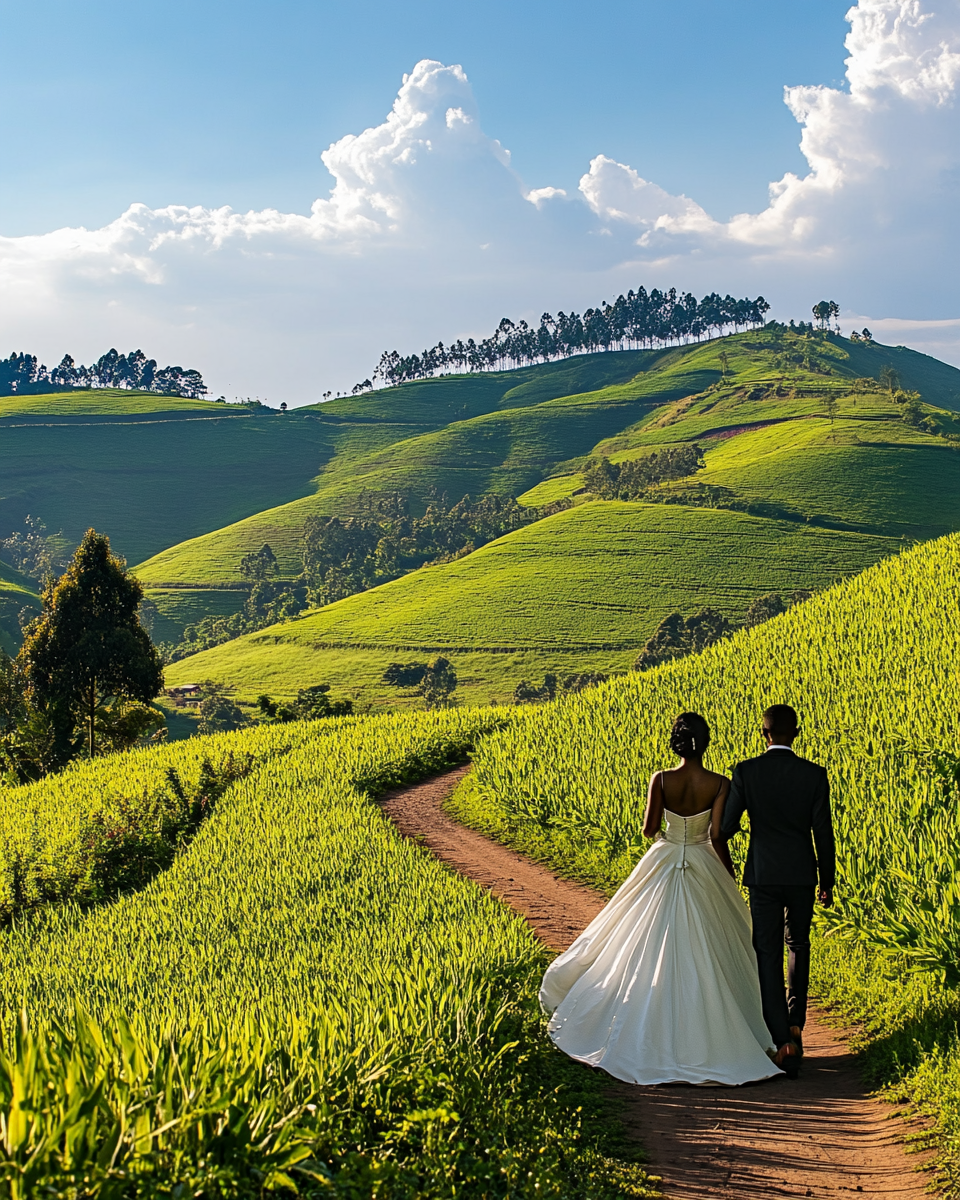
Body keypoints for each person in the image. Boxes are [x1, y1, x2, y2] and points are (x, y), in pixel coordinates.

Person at [539, 712, 783, 1086]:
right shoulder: (719, 784)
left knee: (637, 935)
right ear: (706, 741)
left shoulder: (662, 779)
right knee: (714, 942)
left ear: (677, 743)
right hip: (703, 859)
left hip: (665, 856)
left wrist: (670, 826)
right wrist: (727, 874)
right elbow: (718, 835)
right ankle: (726, 1035)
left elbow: (650, 829)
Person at [719, 703, 835, 1080]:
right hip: (802, 874)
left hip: (763, 875)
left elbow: (727, 826)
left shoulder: (747, 772)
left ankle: (780, 1037)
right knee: (798, 944)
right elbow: (823, 832)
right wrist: (827, 880)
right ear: (796, 734)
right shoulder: (814, 775)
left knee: (766, 952)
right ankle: (797, 1023)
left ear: (763, 734)